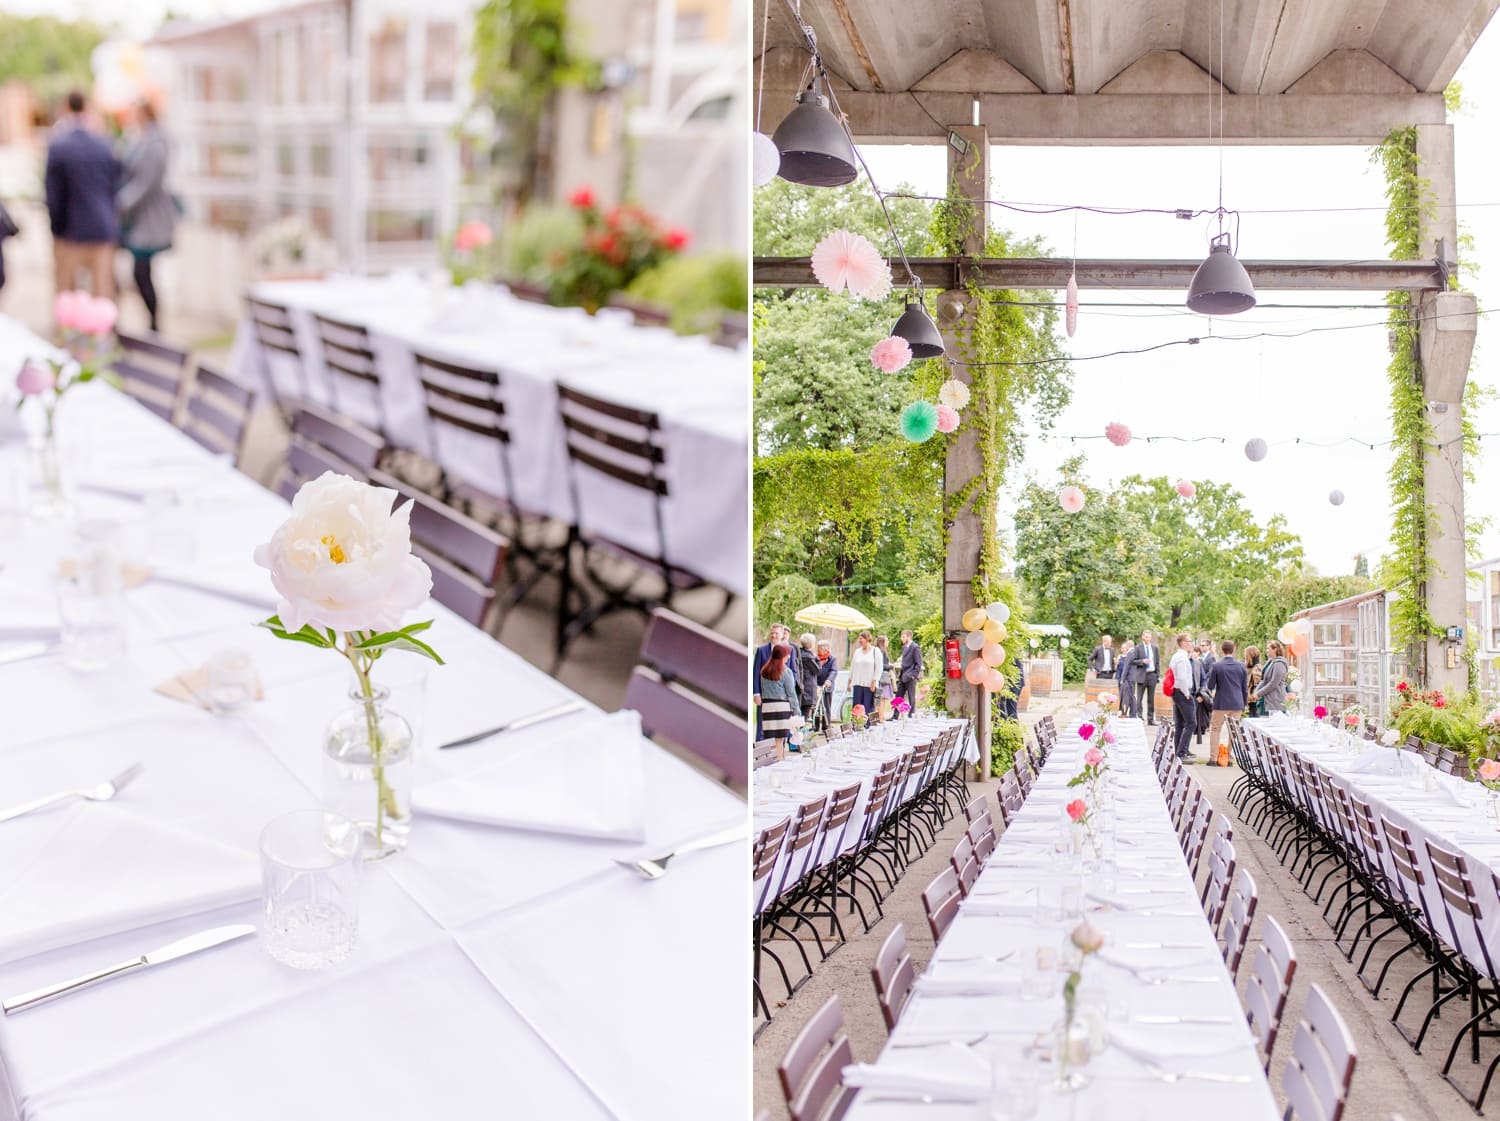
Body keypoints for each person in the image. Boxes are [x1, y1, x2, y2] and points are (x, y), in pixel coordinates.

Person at [45, 90, 120, 298]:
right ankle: (101, 330)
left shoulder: (59, 146)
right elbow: (115, 186)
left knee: (66, 291)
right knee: (102, 290)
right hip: (103, 227)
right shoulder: (104, 144)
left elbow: (53, 195)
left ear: (66, 108)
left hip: (70, 230)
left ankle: (68, 330)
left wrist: (56, 228)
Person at [117, 100, 177, 334]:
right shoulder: (141, 138)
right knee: (142, 272)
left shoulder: (154, 143)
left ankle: (154, 323)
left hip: (149, 219)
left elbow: (146, 183)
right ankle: (152, 322)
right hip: (141, 218)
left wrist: (122, 202)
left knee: (141, 271)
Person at [752, 623, 801, 737]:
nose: (773, 635)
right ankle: (760, 750)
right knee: (762, 726)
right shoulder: (761, 650)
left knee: (780, 730)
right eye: (772, 633)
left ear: (782, 635)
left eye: (776, 633)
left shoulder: (790, 650)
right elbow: (755, 673)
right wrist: (756, 693)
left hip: (782, 698)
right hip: (764, 695)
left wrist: (789, 689)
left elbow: (793, 670)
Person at [1205, 639, 1249, 766]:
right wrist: (1244, 703)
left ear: (1222, 650)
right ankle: (1229, 759)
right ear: (1233, 650)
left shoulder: (1217, 666)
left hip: (1221, 703)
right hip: (1237, 703)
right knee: (1233, 731)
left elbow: (1210, 685)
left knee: (1215, 729)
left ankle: (1213, 758)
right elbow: (1244, 688)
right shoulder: (1241, 666)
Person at [757, 643, 800, 754]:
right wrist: (797, 711)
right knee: (780, 740)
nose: (789, 657)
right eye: (788, 655)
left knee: (772, 740)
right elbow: (791, 694)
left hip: (767, 707)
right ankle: (780, 761)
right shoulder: (786, 671)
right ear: (782, 656)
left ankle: (773, 761)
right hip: (781, 707)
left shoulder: (764, 671)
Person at [1168, 633, 1197, 761]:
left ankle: (1180, 750)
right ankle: (1181, 752)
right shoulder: (1181, 657)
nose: (1192, 644)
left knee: (1180, 723)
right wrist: (1186, 693)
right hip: (1182, 692)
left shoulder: (1180, 656)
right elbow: (1181, 677)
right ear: (1183, 643)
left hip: (1178, 692)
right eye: (1190, 641)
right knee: (1191, 722)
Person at [1126, 630, 1162, 725]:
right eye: (1146, 637)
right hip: (1142, 675)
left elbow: (1157, 662)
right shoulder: (1138, 648)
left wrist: (1157, 674)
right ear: (1143, 637)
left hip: (1152, 675)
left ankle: (1150, 719)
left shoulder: (1154, 648)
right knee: (1140, 697)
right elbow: (1133, 661)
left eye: (1149, 637)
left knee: (1151, 699)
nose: (1147, 638)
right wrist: (1142, 661)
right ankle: (1139, 717)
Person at [1252, 639, 1291, 714]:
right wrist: (1256, 692)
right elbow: (1264, 680)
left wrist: (1258, 693)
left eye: (1268, 648)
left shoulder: (1280, 664)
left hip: (1276, 701)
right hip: (1268, 700)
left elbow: (1273, 683)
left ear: (1275, 649)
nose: (1266, 650)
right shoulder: (1270, 662)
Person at [848, 631, 880, 719]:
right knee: (857, 708)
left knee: (868, 708)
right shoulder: (857, 652)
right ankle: (856, 727)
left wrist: (874, 681)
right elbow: (852, 667)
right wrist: (849, 682)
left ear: (867, 639)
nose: (859, 640)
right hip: (858, 683)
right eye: (859, 638)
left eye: (861, 638)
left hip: (869, 685)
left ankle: (868, 728)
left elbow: (879, 668)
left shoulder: (875, 651)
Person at [897, 629, 924, 713]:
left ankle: (911, 716)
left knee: (911, 698)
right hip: (903, 676)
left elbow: (918, 664)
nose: (901, 638)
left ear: (909, 637)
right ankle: (895, 715)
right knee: (898, 697)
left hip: (911, 676)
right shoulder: (904, 647)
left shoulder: (915, 647)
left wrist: (913, 676)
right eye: (901, 636)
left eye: (903, 636)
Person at [796, 633, 819, 725]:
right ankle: (799, 738)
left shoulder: (798, 653)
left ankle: (794, 737)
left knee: (797, 716)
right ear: (811, 644)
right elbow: (817, 670)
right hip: (808, 691)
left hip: (798, 689)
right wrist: (816, 658)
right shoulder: (810, 657)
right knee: (803, 717)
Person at [814, 639, 838, 729]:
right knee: (816, 707)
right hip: (817, 686)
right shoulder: (815, 658)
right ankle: (815, 726)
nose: (817, 650)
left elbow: (834, 671)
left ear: (826, 649)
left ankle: (826, 726)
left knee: (826, 707)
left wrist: (829, 680)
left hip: (827, 686)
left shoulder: (832, 659)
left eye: (819, 648)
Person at [873, 635, 894, 720]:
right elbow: (882, 666)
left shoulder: (876, 651)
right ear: (883, 642)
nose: (888, 642)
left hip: (878, 678)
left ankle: (878, 717)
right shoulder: (882, 652)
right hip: (882, 679)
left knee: (878, 699)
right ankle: (880, 717)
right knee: (881, 698)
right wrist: (891, 666)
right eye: (887, 640)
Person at [1243, 645, 1264, 717]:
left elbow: (1258, 685)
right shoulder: (1250, 668)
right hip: (1250, 702)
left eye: (1246, 655)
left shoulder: (1257, 668)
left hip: (1254, 701)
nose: (1244, 657)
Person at [1113, 639, 1134, 704]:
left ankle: (1125, 705)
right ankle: (1118, 705)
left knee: (1126, 692)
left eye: (1125, 648)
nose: (1124, 649)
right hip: (1119, 675)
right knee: (1118, 691)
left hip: (1126, 676)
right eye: (1122, 648)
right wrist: (1116, 664)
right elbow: (1116, 668)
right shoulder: (1119, 656)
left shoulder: (1129, 655)